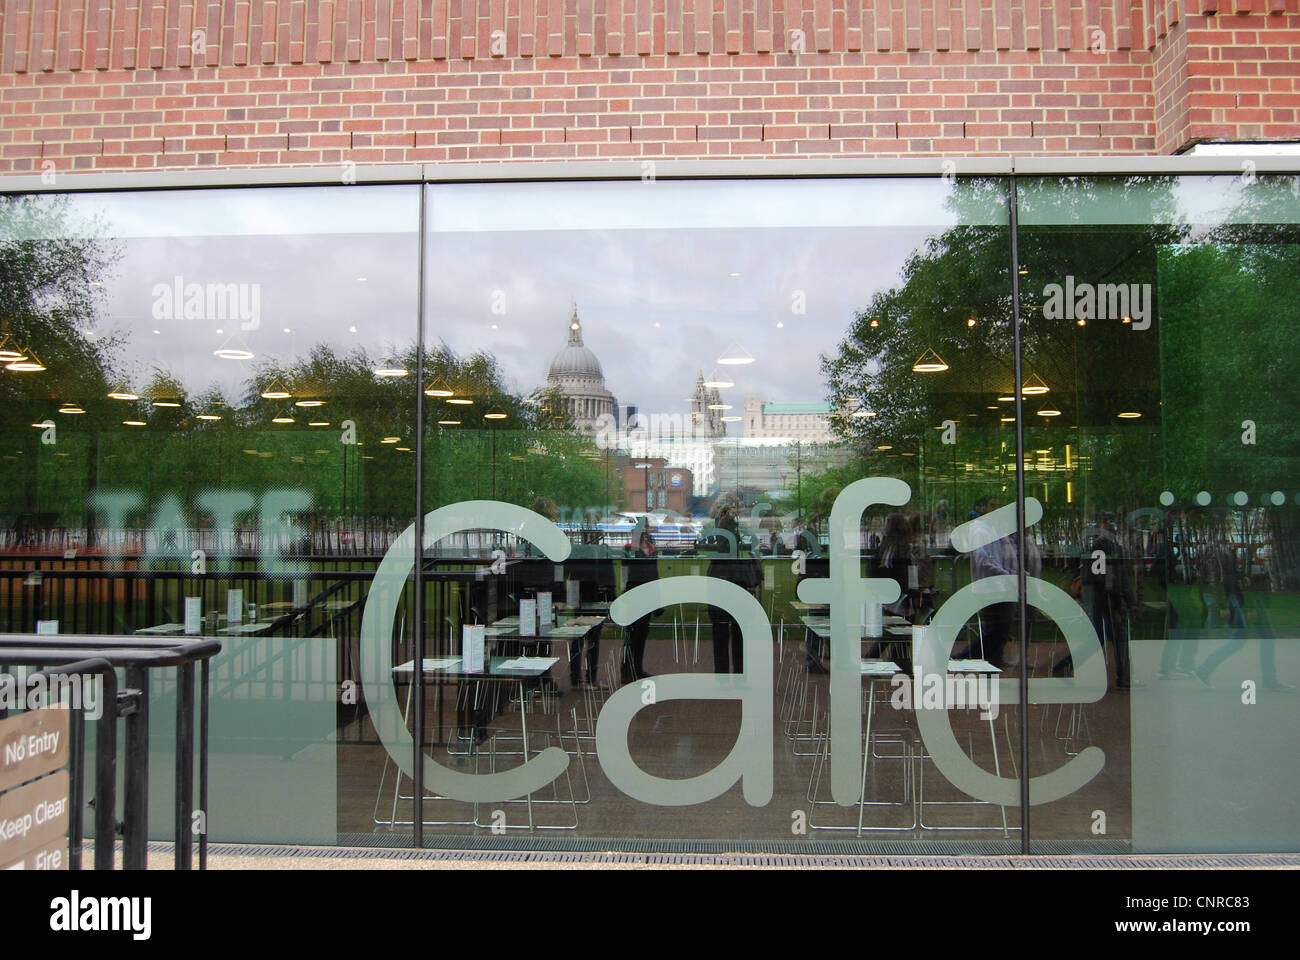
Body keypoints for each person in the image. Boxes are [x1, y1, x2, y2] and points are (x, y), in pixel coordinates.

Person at [1052, 512, 1139, 690]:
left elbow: (1118, 577)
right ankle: (1124, 679)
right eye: (1107, 524)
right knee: (1117, 639)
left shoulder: (1108, 547)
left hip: (1104, 599)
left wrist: (1129, 599)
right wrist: (1128, 600)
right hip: (1105, 599)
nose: (1110, 528)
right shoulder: (1104, 547)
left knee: (1100, 639)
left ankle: (1066, 665)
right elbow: (1106, 577)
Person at [705, 509, 758, 674]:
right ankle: (739, 673)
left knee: (721, 635)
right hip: (734, 583)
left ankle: (722, 675)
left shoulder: (718, 552)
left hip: (723, 586)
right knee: (738, 633)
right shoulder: (735, 552)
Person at [620, 530, 659, 682]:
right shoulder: (630, 549)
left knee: (642, 632)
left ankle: (637, 667)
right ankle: (626, 670)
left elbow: (655, 573)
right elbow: (625, 572)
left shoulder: (651, 549)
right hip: (634, 594)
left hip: (648, 594)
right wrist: (623, 590)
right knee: (631, 634)